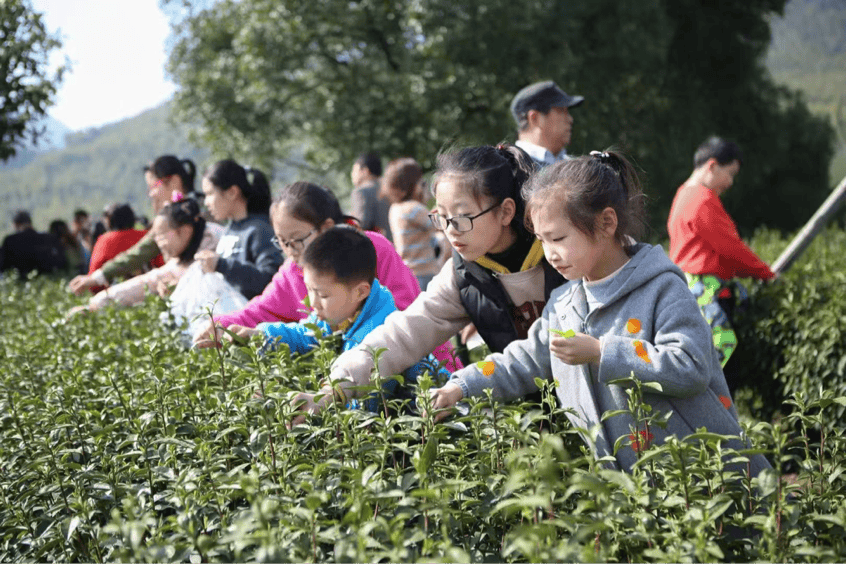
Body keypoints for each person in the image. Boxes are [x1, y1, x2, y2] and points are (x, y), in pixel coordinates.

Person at [428, 150, 771, 477]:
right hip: (633, 486)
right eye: (542, 241)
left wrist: (601, 352)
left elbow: (690, 367)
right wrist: (461, 386)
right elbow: (521, 361)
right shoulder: (564, 304)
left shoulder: (662, 289)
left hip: (704, 476)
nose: (550, 255)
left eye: (558, 238)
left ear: (607, 223)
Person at [288, 144, 565, 423]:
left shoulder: (561, 257)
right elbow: (405, 332)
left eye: (462, 218)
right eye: (442, 218)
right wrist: (333, 391)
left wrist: (465, 383)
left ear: (505, 212)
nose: (451, 231)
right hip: (536, 411)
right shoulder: (464, 273)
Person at [193, 181, 461, 370]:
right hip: (354, 380)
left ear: (327, 228)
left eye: (297, 240)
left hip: (421, 368)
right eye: (282, 242)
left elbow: (408, 310)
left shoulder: (370, 248)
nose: (290, 251)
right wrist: (221, 324)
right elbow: (260, 311)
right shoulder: (291, 273)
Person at [227, 227, 444, 412]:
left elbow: (364, 406)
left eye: (323, 295)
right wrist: (261, 335)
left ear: (360, 292)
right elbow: (305, 335)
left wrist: (318, 402)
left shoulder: (378, 333)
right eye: (310, 290)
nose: (314, 302)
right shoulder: (341, 313)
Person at [667, 137, 775, 374]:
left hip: (690, 293)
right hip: (709, 294)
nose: (731, 182)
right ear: (712, 166)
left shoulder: (682, 195)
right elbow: (730, 247)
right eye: (730, 173)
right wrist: (766, 273)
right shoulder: (702, 199)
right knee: (720, 370)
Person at [68, 198, 222, 315]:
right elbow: (150, 279)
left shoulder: (214, 245)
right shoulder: (186, 249)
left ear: (185, 231)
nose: (158, 243)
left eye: (161, 236)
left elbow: (150, 276)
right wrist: (98, 303)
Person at [68, 155, 196, 295]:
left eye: (152, 186)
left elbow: (141, 253)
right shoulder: (174, 216)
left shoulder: (196, 215)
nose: (151, 194)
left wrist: (101, 287)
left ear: (174, 182)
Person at [195, 159, 283, 299]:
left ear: (232, 192)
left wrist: (221, 265)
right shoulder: (231, 228)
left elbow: (270, 281)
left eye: (210, 194)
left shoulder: (259, 230)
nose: (206, 202)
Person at [380, 157, 443, 290]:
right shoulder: (414, 208)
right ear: (413, 185)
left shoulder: (395, 208)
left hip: (408, 272)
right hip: (424, 270)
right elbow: (440, 225)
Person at [511, 80, 584, 166]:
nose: (570, 119)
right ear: (535, 118)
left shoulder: (575, 166)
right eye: (561, 111)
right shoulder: (510, 166)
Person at [86, 204, 150, 293]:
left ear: (110, 220)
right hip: (148, 290)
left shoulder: (105, 240)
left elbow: (94, 277)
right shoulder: (146, 236)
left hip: (114, 297)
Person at [1, 210, 66, 278]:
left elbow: (3, 266)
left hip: (20, 283)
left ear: (16, 224)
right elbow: (61, 262)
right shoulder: (47, 238)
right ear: (30, 222)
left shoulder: (10, 241)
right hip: (47, 281)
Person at [349, 152, 392, 240]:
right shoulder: (391, 189)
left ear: (365, 171)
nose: (352, 174)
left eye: (354, 170)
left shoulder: (361, 192)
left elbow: (362, 224)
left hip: (377, 247)